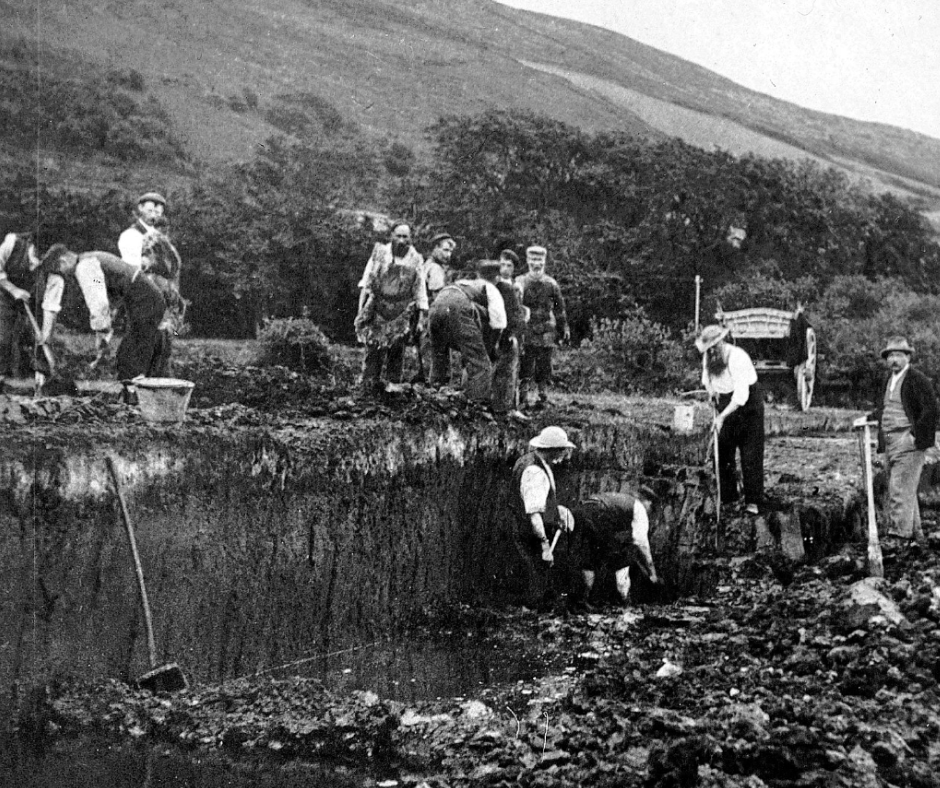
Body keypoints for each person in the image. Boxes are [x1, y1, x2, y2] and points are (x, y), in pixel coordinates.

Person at [37, 245, 168, 386]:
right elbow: (110, 297)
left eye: (60, 271)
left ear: (63, 261)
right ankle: (144, 392)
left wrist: (101, 333)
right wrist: (105, 334)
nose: (65, 276)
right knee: (141, 352)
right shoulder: (91, 258)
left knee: (129, 358)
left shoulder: (85, 267)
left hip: (145, 300)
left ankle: (133, 399)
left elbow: (99, 303)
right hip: (147, 299)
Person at [869, 336, 938, 544]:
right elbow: (885, 409)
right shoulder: (888, 380)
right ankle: (917, 535)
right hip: (890, 441)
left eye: (899, 355)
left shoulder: (918, 379)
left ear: (908, 357)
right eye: (890, 356)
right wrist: (869, 419)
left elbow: (931, 410)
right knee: (903, 488)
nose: (894, 360)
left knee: (899, 489)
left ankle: (898, 537)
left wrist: (915, 438)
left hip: (908, 442)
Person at [696, 324, 764, 515]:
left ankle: (753, 501)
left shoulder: (737, 357)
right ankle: (729, 499)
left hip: (748, 405)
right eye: (707, 350)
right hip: (725, 400)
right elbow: (706, 379)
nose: (710, 353)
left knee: (750, 454)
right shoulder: (708, 358)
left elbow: (741, 396)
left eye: (713, 348)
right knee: (723, 451)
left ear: (721, 344)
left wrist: (722, 417)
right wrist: (712, 393)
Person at [354, 223, 428, 396]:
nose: (402, 241)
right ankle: (368, 387)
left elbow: (420, 289)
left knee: (397, 350)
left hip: (401, 311)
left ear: (410, 239)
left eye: (405, 237)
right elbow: (366, 282)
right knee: (373, 348)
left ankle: (392, 390)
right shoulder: (380, 253)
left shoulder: (416, 259)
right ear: (391, 236)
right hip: (379, 307)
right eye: (398, 236)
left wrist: (421, 318)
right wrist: (361, 310)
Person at [509, 426, 577, 610]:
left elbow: (541, 501)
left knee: (537, 575)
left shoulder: (532, 461)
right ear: (553, 450)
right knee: (536, 576)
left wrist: (557, 512)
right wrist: (545, 545)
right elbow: (534, 514)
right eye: (563, 450)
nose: (565, 454)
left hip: (528, 529)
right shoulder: (535, 472)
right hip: (530, 533)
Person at [118, 192, 185, 374]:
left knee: (162, 346)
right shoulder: (130, 235)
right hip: (142, 298)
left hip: (164, 299)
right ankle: (130, 391)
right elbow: (133, 272)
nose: (155, 209)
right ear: (140, 208)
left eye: (159, 206)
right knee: (140, 343)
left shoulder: (161, 237)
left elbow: (173, 268)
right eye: (151, 205)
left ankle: (156, 390)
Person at [427, 260, 506, 401]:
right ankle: (477, 405)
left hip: (437, 304)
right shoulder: (491, 289)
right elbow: (498, 323)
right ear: (497, 278)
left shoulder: (463, 282)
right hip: (458, 305)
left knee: (439, 355)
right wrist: (489, 350)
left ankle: (435, 395)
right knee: (481, 365)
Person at [569, 490, 660, 608]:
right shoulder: (638, 508)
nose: (649, 513)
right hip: (599, 516)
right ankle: (624, 600)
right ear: (648, 502)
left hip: (580, 511)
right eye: (651, 509)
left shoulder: (620, 501)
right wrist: (652, 573)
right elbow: (642, 544)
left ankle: (584, 599)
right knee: (621, 559)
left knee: (588, 558)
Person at [516, 245, 568, 409]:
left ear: (544, 261)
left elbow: (560, 309)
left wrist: (563, 328)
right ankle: (523, 396)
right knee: (525, 362)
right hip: (527, 328)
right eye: (533, 259)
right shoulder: (520, 282)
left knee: (544, 364)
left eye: (539, 260)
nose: (536, 263)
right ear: (527, 260)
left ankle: (542, 396)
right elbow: (514, 307)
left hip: (546, 328)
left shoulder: (551, 284)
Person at [412, 233, 456, 383]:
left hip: (423, 319)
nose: (448, 255)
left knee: (428, 361)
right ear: (435, 248)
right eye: (445, 250)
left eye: (450, 251)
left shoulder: (426, 265)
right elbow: (439, 299)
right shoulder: (435, 269)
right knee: (437, 364)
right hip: (432, 319)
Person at [489, 252, 528, 417]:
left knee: (512, 370)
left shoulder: (516, 286)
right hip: (498, 329)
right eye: (502, 264)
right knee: (497, 368)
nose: (504, 268)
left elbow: (517, 312)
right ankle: (498, 404)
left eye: (509, 265)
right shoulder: (495, 284)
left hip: (512, 331)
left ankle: (511, 405)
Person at [0, 233, 42, 378]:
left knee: (28, 338)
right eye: (37, 252)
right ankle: (1, 377)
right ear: (31, 243)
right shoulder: (13, 243)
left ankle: (28, 377)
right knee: (3, 337)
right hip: (3, 294)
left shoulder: (49, 259)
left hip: (28, 298)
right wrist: (13, 290)